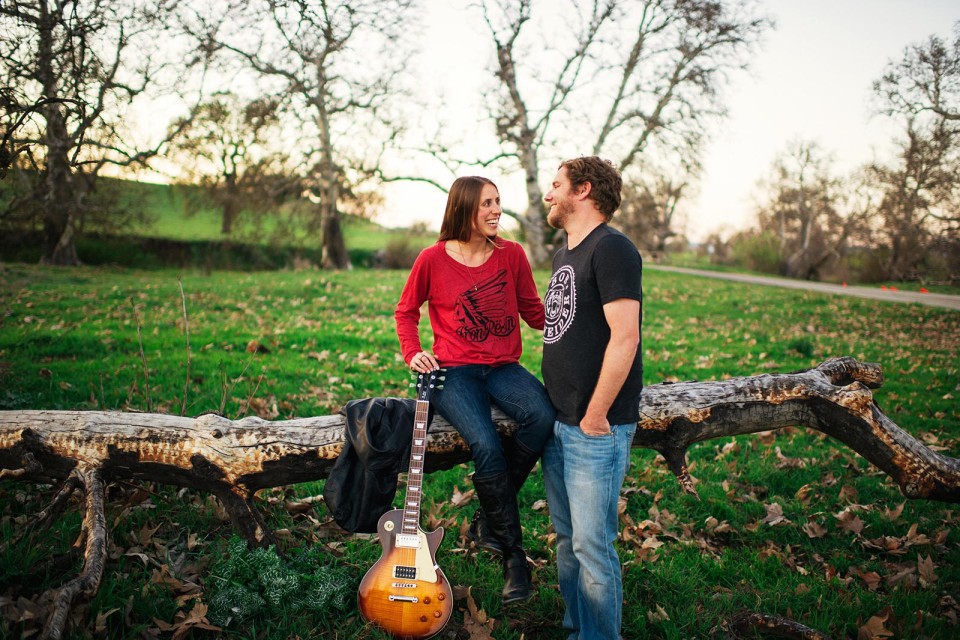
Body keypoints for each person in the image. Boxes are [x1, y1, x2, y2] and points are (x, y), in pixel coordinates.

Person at [395, 175, 555, 605]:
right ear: (465, 208)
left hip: (503, 367)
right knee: (484, 442)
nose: (496, 210)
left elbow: (535, 313)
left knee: (541, 416)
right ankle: (514, 558)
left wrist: (577, 319)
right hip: (454, 372)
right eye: (487, 203)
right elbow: (406, 313)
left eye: (498, 202)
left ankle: (488, 517)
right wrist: (414, 353)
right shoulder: (431, 259)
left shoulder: (512, 255)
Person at [540, 156, 643, 639]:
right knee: (567, 542)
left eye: (556, 185)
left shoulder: (612, 249)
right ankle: (578, 627)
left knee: (592, 547)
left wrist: (597, 414)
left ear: (582, 191)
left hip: (593, 427)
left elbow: (626, 337)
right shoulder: (566, 254)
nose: (548, 194)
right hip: (559, 422)